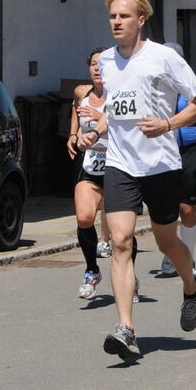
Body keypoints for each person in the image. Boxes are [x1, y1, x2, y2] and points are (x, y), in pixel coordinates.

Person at [98, 0, 196, 361]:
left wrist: (167, 124)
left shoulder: (162, 57)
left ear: (141, 19)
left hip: (160, 165)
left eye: (124, 16)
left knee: (166, 243)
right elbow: (114, 110)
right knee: (121, 242)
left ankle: (192, 287)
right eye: (113, 16)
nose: (116, 22)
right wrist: (95, 129)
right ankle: (126, 328)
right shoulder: (106, 60)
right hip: (120, 164)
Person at [67, 48, 123, 299]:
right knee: (84, 217)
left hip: (118, 165)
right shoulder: (82, 92)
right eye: (93, 64)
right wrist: (73, 134)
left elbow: (129, 123)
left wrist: (101, 117)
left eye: (102, 64)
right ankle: (92, 270)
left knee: (121, 232)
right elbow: (76, 109)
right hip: (89, 164)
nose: (97, 69)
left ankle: (128, 275)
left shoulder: (121, 94)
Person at [160, 43, 196, 276]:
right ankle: (171, 250)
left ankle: (188, 255)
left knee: (187, 209)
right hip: (162, 150)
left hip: (190, 150)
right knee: (166, 208)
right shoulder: (155, 85)